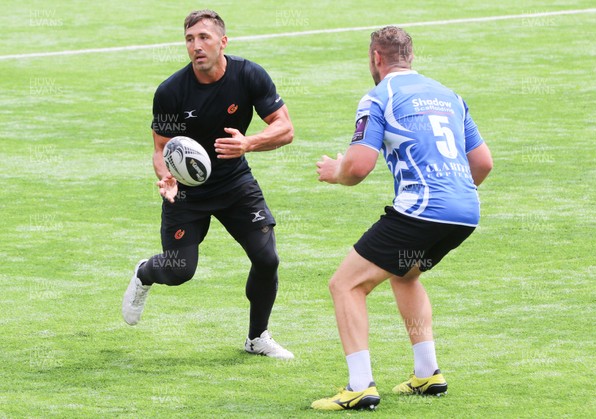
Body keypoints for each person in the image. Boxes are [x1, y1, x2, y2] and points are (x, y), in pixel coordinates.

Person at [311, 26, 493, 410]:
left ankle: (360, 386)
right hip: (465, 211)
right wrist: (452, 193)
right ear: (409, 57)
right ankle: (427, 374)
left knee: (345, 285)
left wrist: (335, 171)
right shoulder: (450, 96)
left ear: (376, 58)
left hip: (423, 210)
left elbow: (358, 167)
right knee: (405, 273)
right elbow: (482, 163)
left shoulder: (379, 96)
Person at [121, 9, 295, 359]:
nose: (196, 46)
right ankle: (144, 272)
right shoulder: (171, 91)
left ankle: (257, 338)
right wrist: (166, 177)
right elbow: (160, 148)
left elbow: (285, 128)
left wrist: (248, 143)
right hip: (186, 193)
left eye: (204, 38)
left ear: (223, 42)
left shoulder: (249, 76)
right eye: (189, 39)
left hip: (235, 185)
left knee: (267, 259)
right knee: (179, 270)